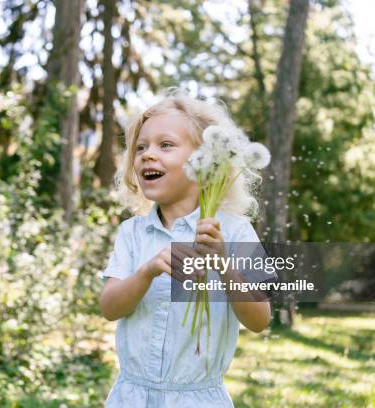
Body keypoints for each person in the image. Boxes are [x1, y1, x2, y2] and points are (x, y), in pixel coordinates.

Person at [99, 91, 272, 407]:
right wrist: (147, 271)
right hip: (132, 398)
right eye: (141, 147)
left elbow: (260, 319)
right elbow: (110, 307)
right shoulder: (132, 233)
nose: (148, 155)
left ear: (205, 160)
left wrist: (223, 264)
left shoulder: (233, 231)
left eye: (165, 145)